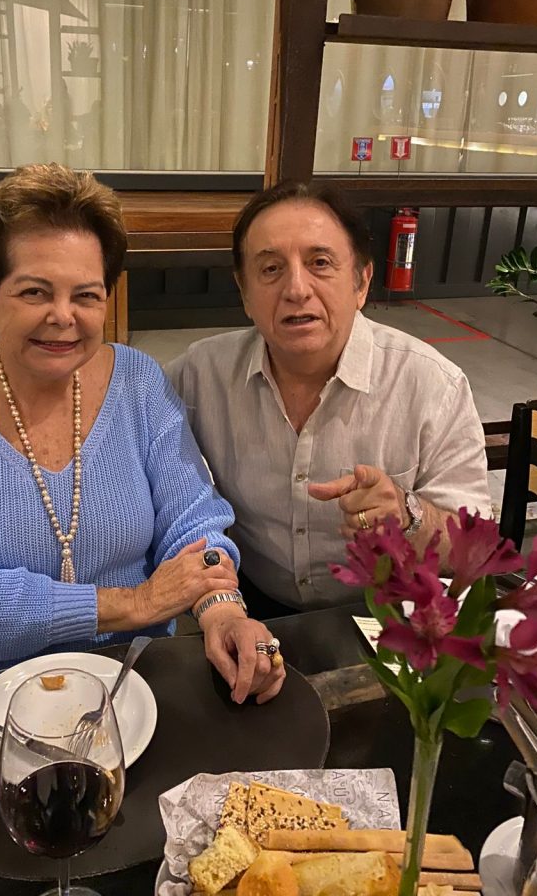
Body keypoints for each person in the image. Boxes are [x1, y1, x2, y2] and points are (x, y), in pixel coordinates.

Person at [0, 163, 285, 703]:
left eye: (87, 295)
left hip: (126, 685)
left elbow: (193, 521)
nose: (62, 316)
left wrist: (221, 610)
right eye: (34, 292)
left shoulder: (137, 381)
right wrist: (134, 604)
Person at [166, 180, 492, 616]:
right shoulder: (200, 374)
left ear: (362, 282)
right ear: (244, 292)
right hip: (252, 608)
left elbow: (475, 548)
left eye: (320, 263)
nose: (297, 289)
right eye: (270, 269)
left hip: (388, 617)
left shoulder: (433, 385)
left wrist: (407, 516)